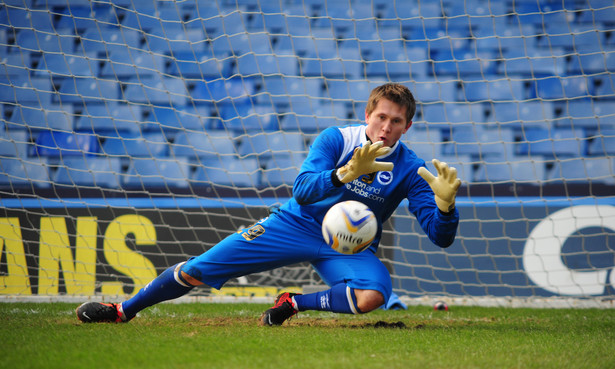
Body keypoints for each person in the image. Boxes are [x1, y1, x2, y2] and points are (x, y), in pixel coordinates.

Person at [76, 83, 461, 326]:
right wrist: (343, 174)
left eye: (396, 121)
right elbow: (303, 190)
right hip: (295, 225)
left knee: (372, 297)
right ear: (368, 114)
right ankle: (122, 311)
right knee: (197, 270)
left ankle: (295, 303)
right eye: (381, 117)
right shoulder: (336, 140)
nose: (386, 127)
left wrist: (445, 208)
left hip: (347, 244)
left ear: (407, 126)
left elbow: (440, 237)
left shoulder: (411, 168)